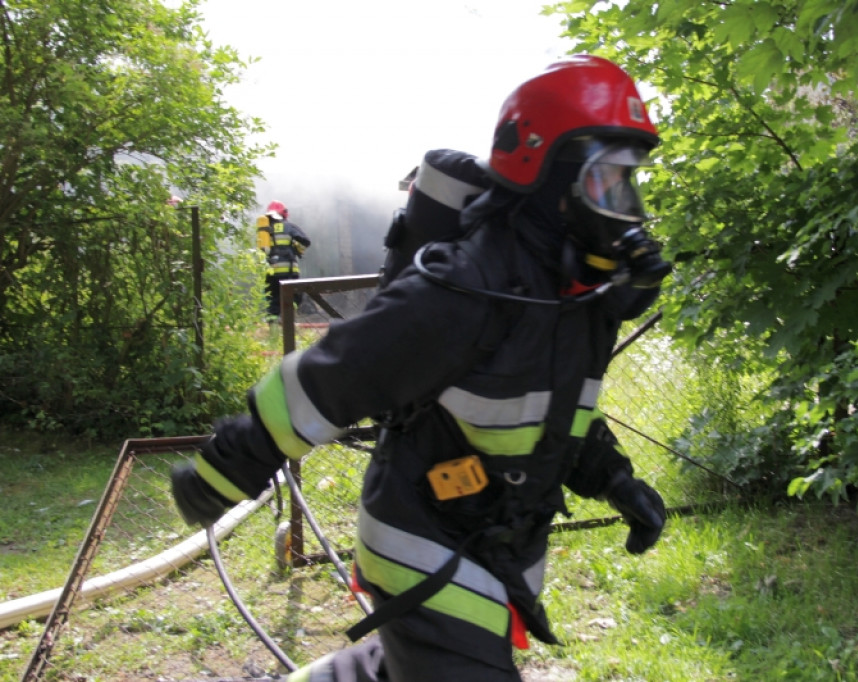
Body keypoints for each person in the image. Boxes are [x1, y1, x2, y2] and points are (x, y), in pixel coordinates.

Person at [172, 54, 670, 682]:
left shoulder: (565, 296)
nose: (625, 208)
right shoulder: (469, 285)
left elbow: (551, 412)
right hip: (418, 534)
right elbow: (343, 369)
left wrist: (615, 481)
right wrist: (225, 470)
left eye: (630, 184)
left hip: (492, 538)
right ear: (549, 179)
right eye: (607, 182)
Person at [257, 200, 311, 318]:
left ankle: (273, 332)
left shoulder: (265, 230)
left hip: (271, 272)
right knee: (294, 298)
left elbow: (262, 251)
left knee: (273, 303)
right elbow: (306, 241)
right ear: (284, 213)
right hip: (289, 272)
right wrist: (297, 249)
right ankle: (288, 326)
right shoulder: (289, 226)